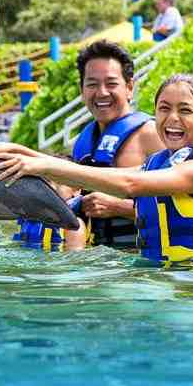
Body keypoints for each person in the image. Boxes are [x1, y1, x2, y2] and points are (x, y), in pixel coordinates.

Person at [0, 74, 193, 263]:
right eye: (164, 109)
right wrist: (23, 153)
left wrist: (43, 164)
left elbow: (128, 185)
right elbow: (118, 175)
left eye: (185, 110)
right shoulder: (158, 164)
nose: (172, 118)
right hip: (165, 283)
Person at [72, 40, 164, 247]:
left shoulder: (151, 134)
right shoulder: (83, 143)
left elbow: (186, 207)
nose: (102, 92)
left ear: (129, 87)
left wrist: (119, 207)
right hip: (98, 266)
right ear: (82, 90)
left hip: (145, 265)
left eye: (111, 83)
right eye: (92, 84)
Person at [14, 179, 86, 251]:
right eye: (44, 181)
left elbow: (74, 257)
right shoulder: (27, 216)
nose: (48, 186)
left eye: (58, 182)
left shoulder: (74, 225)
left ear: (76, 190)